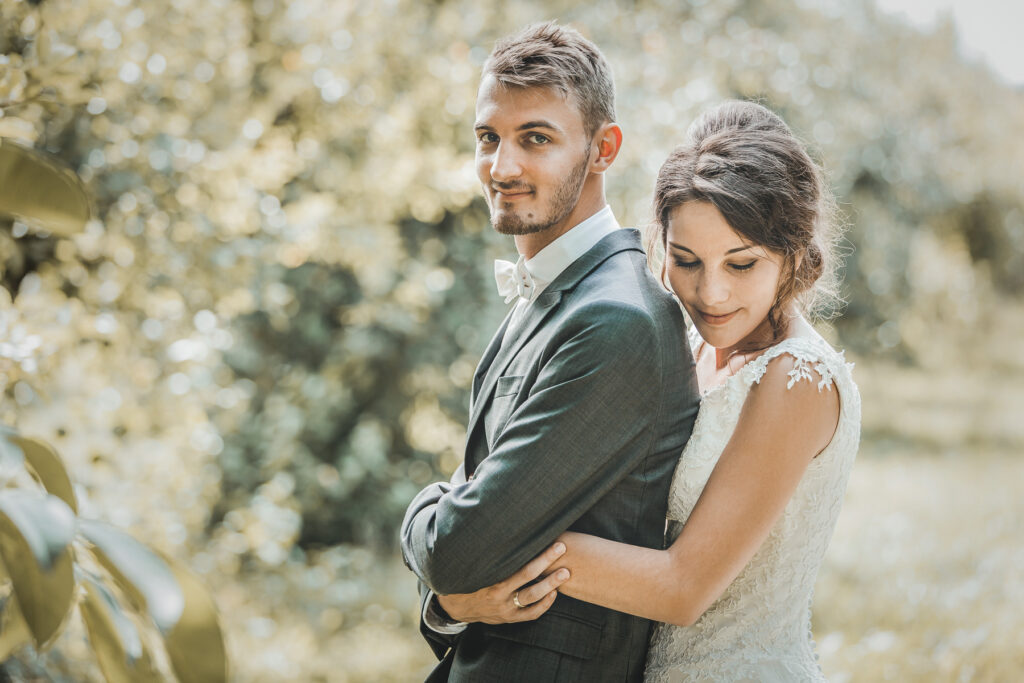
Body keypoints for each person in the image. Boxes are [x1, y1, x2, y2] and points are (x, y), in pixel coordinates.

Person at [436, 100, 861, 682]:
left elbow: (683, 587)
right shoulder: (681, 343)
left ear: (793, 254)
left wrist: (495, 543)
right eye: (687, 261)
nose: (711, 294)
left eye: (742, 265)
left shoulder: (795, 379)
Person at [399, 22, 701, 682]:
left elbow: (458, 547)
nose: (501, 168)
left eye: (535, 138)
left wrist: (417, 515)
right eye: (488, 138)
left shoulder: (617, 319)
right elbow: (464, 559)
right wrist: (446, 604)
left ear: (603, 148)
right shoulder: (555, 295)